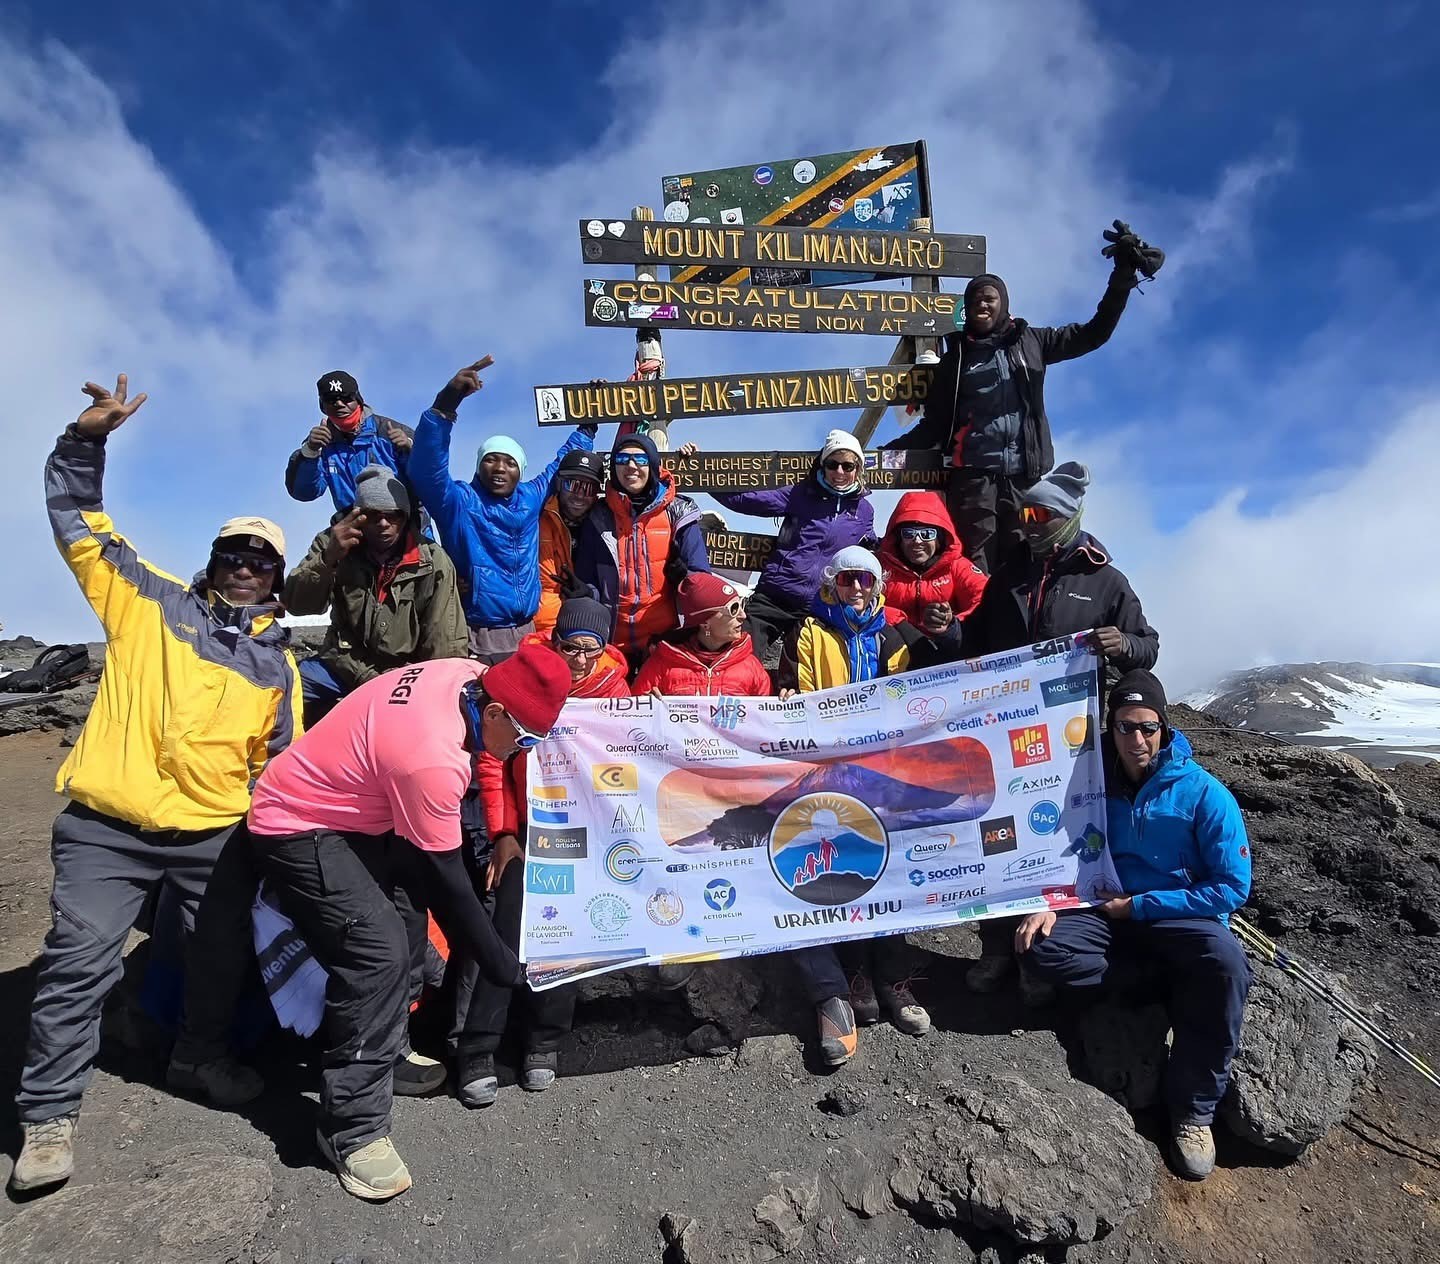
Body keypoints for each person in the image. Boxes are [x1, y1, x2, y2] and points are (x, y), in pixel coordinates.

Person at [11, 376, 302, 1196]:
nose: (246, 568)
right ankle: (47, 1116)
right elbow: (77, 520)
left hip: (213, 834)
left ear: (276, 577)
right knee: (78, 960)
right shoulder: (146, 600)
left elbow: (276, 766)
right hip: (110, 825)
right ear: (214, 563)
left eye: (262, 560)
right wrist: (86, 438)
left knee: (218, 954)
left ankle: (196, 1056)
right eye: (235, 555)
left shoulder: (279, 665)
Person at [237, 645, 573, 1201]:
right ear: (492, 714)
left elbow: (426, 876)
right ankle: (352, 1128)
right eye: (526, 739)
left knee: (406, 920)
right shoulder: (432, 759)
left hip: (358, 809)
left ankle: (386, 1054)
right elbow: (450, 886)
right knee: (377, 953)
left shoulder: (467, 673)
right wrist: (501, 964)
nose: (523, 751)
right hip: (297, 822)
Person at [1016, 670, 1251, 1181]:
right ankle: (1157, 984)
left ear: (1164, 727)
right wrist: (1051, 900)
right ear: (1111, 727)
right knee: (1042, 948)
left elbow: (1231, 888)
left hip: (1175, 913)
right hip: (1104, 911)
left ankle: (1194, 1113)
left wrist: (1141, 905)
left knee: (1227, 967)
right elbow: (1056, 846)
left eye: (1147, 727)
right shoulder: (1087, 783)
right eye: (1124, 727)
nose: (1136, 740)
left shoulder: (1205, 794)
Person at [960, 461, 1159, 995]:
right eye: (1023, 511)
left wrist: (1124, 645)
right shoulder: (1010, 572)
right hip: (1003, 730)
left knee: (1059, 835)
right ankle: (996, 947)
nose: (1026, 522)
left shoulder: (1106, 579)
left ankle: (1042, 951)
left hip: (1073, 740)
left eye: (1039, 513)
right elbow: (976, 640)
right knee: (997, 832)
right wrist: (945, 633)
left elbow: (1149, 647)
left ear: (1066, 517)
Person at [881, 221, 1164, 574]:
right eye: (974, 301)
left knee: (1025, 562)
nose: (981, 306)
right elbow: (935, 424)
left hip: (1024, 478)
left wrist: (1122, 275)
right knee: (974, 566)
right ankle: (978, 631)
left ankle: (1019, 628)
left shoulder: (1032, 342)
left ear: (1003, 304)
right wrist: (883, 456)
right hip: (972, 481)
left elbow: (1095, 333)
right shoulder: (955, 359)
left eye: (989, 299)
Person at [452, 598, 628, 1106]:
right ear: (553, 643)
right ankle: (478, 1049)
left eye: (588, 650)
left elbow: (636, 757)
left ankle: (544, 1042)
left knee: (569, 935)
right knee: (504, 931)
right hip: (527, 830)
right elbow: (492, 762)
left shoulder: (616, 690)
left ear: (604, 648)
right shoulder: (520, 676)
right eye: (568, 647)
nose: (577, 660)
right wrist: (503, 832)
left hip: (584, 832)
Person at [781, 547, 924, 1067]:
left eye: (865, 579)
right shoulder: (810, 632)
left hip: (885, 774)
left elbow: (907, 697)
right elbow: (797, 697)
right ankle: (847, 979)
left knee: (888, 875)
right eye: (846, 581)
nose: (856, 588)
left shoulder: (894, 635)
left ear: (879, 583)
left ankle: (888, 977)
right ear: (831, 585)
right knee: (833, 871)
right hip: (827, 773)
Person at [408, 358, 595, 663]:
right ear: (478, 465)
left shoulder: (530, 497)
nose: (499, 468)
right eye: (490, 459)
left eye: (509, 462)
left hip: (527, 633)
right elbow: (426, 471)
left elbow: (559, 465)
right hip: (473, 635)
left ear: (520, 470)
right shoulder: (459, 502)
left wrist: (587, 427)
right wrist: (446, 404)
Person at [282, 465, 467, 723]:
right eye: (372, 515)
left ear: (404, 517)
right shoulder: (332, 543)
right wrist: (328, 558)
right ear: (358, 516)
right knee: (284, 687)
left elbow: (443, 642)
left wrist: (427, 689)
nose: (383, 524)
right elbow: (297, 605)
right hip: (344, 665)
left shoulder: (433, 560)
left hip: (405, 675)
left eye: (393, 516)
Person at [690, 430, 876, 667]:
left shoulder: (864, 511)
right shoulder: (800, 494)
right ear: (823, 464)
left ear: (857, 469)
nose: (839, 472)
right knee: (735, 659)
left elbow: (868, 550)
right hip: (774, 597)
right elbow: (747, 500)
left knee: (807, 676)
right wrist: (698, 471)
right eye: (833, 464)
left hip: (820, 606)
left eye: (847, 466)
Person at [573, 431, 711, 667]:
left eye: (641, 459)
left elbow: (702, 581)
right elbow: (588, 581)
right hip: (610, 644)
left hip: (666, 642)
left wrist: (683, 579)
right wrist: (584, 595)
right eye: (622, 459)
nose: (631, 466)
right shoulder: (598, 516)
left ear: (653, 465)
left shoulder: (679, 513)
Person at [877, 489, 987, 666]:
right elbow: (860, 603)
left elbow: (985, 599)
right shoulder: (879, 566)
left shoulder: (957, 566)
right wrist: (900, 622)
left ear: (940, 538)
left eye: (927, 534)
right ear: (898, 538)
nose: (917, 541)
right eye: (909, 534)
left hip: (948, 655)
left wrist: (950, 624)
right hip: (894, 655)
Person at [286, 369, 415, 513]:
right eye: (331, 399)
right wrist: (310, 452)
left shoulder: (392, 432)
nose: (339, 404)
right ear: (322, 406)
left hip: (405, 522)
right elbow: (304, 492)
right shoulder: (318, 445)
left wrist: (412, 451)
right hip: (356, 527)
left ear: (358, 400)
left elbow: (431, 479)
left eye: (346, 397)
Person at [631, 573, 772, 698]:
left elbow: (768, 722)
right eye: (733, 609)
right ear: (705, 623)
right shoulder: (662, 664)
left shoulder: (751, 666)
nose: (743, 615)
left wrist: (786, 702)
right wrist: (647, 707)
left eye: (741, 604)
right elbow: (634, 719)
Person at [535, 449, 606, 639]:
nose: (580, 495)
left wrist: (590, 595)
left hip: (588, 630)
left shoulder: (607, 526)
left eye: (589, 488)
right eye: (573, 485)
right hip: (541, 631)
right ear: (559, 484)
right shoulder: (534, 519)